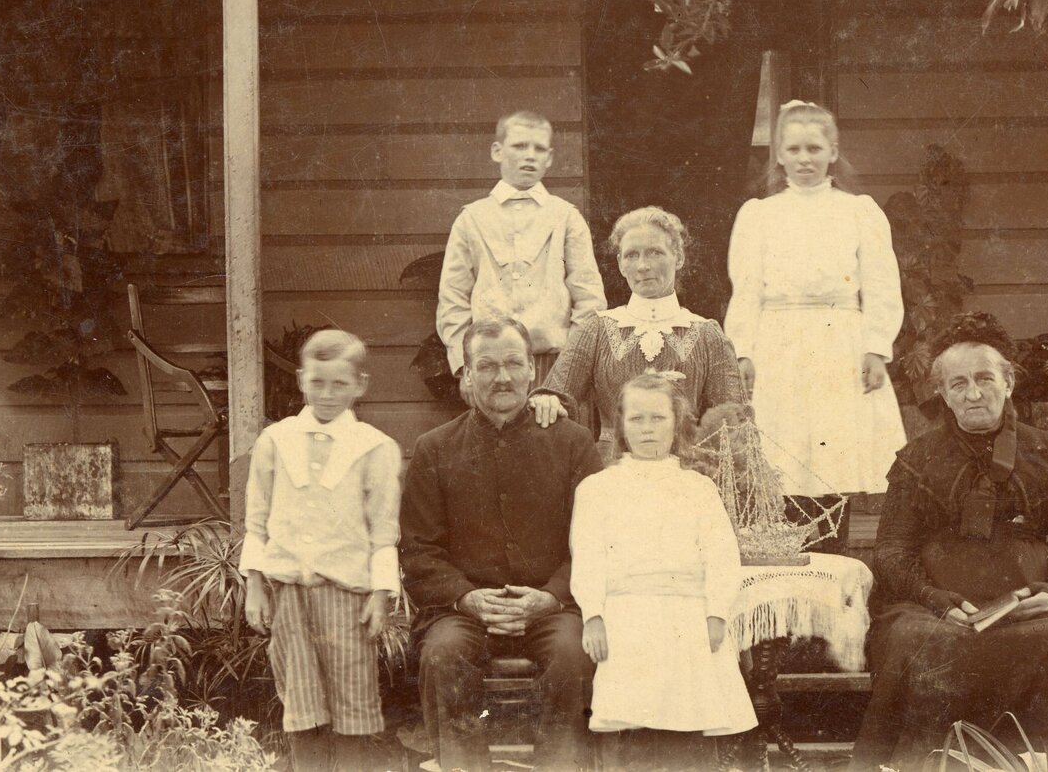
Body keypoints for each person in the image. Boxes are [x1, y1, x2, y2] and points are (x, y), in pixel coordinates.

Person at [851, 313, 1048, 772]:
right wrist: (936, 600)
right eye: (959, 384)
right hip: (937, 610)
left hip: (1033, 610)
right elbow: (892, 551)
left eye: (985, 379)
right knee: (912, 640)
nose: (973, 394)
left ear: (1008, 382)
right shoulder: (917, 459)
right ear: (943, 394)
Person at [401, 317, 602, 772]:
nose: (502, 377)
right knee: (442, 653)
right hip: (464, 610)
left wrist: (552, 596)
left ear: (532, 369)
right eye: (487, 366)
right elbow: (418, 549)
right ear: (467, 375)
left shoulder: (573, 443)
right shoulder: (435, 448)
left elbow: (597, 542)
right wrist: (465, 598)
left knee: (573, 654)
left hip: (554, 606)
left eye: (513, 363)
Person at [725, 99, 906, 548]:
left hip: (838, 340)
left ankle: (834, 558)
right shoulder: (759, 215)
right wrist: (743, 351)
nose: (804, 159)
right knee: (783, 454)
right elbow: (745, 289)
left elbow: (881, 284)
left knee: (833, 455)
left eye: (814, 148)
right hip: (778, 342)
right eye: (794, 149)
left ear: (833, 151)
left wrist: (876, 347)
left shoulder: (858, 211)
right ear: (779, 155)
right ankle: (790, 561)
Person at [571, 372, 758, 771]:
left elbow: (721, 556)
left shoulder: (697, 488)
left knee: (688, 722)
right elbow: (587, 557)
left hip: (687, 615)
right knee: (632, 723)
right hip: (625, 614)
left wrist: (716, 613)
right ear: (621, 425)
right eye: (636, 419)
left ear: (677, 423)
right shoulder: (597, 489)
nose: (648, 429)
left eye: (658, 418)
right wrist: (594, 616)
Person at [241, 329, 401, 772]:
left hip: (348, 598)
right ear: (301, 379)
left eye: (339, 384)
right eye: (317, 382)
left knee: (353, 704)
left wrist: (381, 595)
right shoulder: (275, 441)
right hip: (290, 595)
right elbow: (256, 519)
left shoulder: (375, 447)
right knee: (301, 702)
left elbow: (384, 530)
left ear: (360, 385)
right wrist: (254, 585)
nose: (327, 395)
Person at [530, 206, 747, 461]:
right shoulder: (596, 329)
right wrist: (548, 401)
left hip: (685, 472)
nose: (642, 266)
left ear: (678, 257)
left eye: (655, 252)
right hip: (611, 470)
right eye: (631, 255)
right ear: (620, 264)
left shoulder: (708, 335)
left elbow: (733, 422)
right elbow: (557, 395)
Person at [437, 110, 606, 384]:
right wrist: (463, 366)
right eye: (519, 146)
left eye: (539, 149)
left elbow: (589, 297)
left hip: (553, 363)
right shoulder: (471, 219)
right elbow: (452, 298)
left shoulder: (565, 217)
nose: (530, 156)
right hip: (487, 364)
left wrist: (570, 366)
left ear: (549, 158)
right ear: (497, 151)